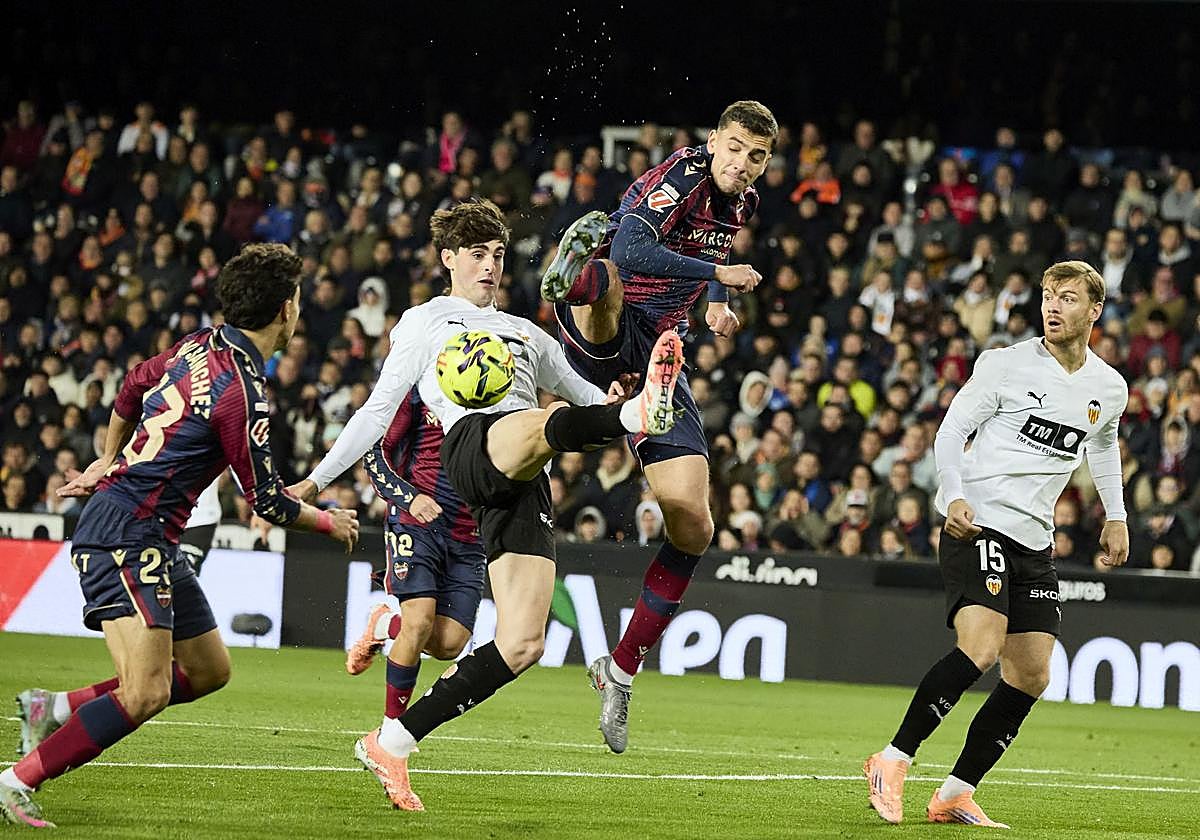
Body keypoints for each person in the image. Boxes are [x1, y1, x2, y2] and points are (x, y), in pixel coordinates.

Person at [287, 199, 683, 811]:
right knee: (547, 420)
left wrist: (621, 408)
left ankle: (393, 740)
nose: (490, 266)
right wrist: (314, 483)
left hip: (524, 482)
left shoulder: (527, 332)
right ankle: (634, 412)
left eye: (498, 254)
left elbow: (583, 399)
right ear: (448, 259)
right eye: (477, 255)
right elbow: (375, 413)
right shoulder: (425, 322)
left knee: (523, 644)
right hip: (472, 446)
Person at [0, 244, 360, 828]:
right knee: (145, 693)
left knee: (208, 670)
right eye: (296, 297)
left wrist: (106, 459)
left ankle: (55, 707)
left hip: (150, 535)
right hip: (127, 534)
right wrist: (329, 519)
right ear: (284, 310)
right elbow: (265, 500)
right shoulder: (243, 392)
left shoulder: (199, 344)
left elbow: (131, 385)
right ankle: (14, 781)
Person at [539, 100, 775, 753]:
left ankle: (618, 669)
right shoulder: (684, 175)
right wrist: (717, 275)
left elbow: (713, 253)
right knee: (610, 270)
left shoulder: (741, 203)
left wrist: (719, 301)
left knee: (694, 522)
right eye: (733, 148)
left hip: (657, 356)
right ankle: (571, 277)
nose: (740, 164)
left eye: (755, 156)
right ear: (713, 141)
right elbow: (636, 245)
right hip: (608, 325)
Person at [863, 261, 1130, 828]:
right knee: (981, 648)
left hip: (1035, 542)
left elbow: (1103, 444)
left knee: (1032, 674)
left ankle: (956, 792)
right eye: (1047, 296)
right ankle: (892, 760)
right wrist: (953, 497)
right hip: (978, 524)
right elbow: (951, 432)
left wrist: (1117, 515)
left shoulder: (1108, 387)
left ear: (1094, 311)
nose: (1053, 306)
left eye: (1067, 298)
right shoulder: (1005, 365)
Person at [340, 384, 486, 744]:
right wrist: (410, 497)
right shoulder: (418, 387)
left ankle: (385, 625)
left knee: (450, 644)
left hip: (470, 537)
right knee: (419, 622)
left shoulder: (504, 393)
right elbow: (375, 454)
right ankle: (391, 735)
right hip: (417, 523)